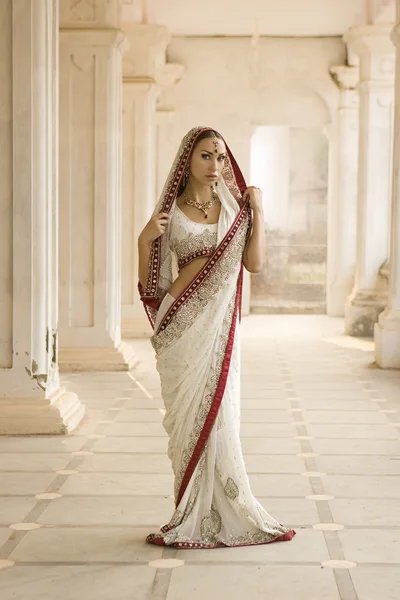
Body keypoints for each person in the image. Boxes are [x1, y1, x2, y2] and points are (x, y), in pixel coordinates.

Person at [138, 126, 295, 549]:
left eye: (221, 157)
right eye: (207, 156)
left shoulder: (233, 208)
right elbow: (155, 285)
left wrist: (258, 211)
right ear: (188, 158)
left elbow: (255, 265)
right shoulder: (169, 212)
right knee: (186, 423)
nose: (216, 165)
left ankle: (226, 512)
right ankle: (187, 511)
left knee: (221, 418)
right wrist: (144, 240)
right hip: (180, 329)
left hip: (219, 330)